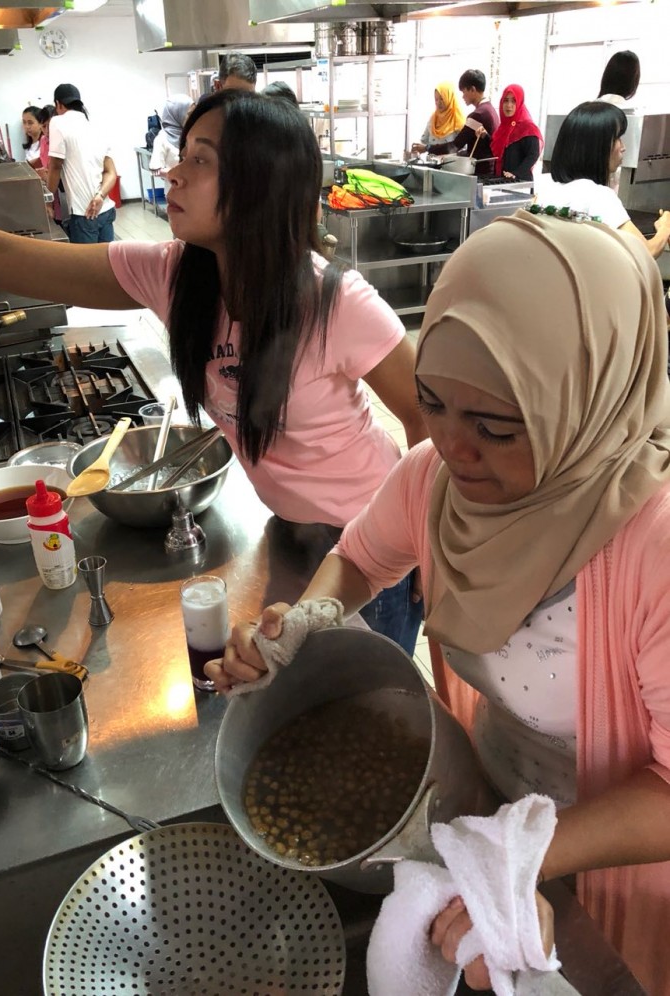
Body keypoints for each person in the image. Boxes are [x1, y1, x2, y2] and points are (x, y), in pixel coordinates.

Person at [208, 208, 670, 994]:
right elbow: (359, 556)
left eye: (493, 424)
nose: (452, 446)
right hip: (490, 793)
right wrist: (312, 616)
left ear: (585, 401)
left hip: (613, 845)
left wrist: (522, 856)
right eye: (433, 402)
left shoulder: (650, 545)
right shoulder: (435, 480)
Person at [0, 89, 426, 654]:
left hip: (371, 547)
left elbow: (424, 417)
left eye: (200, 160)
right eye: (182, 155)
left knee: (368, 709)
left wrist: (429, 544)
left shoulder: (334, 300)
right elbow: (5, 259)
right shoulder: (179, 276)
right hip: (288, 531)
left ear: (259, 182)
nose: (173, 172)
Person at [536, 101, 670, 259]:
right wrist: (665, 228)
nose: (623, 147)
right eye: (618, 138)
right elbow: (645, 253)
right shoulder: (599, 196)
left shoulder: (545, 186)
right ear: (597, 147)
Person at [46, 83, 117, 244]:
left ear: (58, 104)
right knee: (107, 264)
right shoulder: (95, 127)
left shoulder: (58, 122)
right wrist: (100, 196)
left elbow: (55, 166)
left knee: (87, 267)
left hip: (83, 214)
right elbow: (111, 172)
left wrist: (48, 202)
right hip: (105, 209)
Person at [490, 84, 543, 181]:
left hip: (520, 183)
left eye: (514, 101)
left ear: (520, 102)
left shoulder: (528, 127)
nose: (508, 105)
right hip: (502, 181)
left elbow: (533, 154)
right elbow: (500, 150)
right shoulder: (503, 127)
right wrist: (485, 136)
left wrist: (516, 174)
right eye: (505, 100)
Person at [452, 69, 499, 175]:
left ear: (473, 89)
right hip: (491, 169)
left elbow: (456, 145)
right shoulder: (491, 109)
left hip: (480, 171)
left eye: (464, 92)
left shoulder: (478, 115)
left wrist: (428, 148)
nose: (463, 96)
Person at [411, 82, 465, 156]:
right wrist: (417, 148)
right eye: (436, 99)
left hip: (450, 165)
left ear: (449, 98)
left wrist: (428, 148)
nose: (438, 103)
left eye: (442, 99)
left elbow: (461, 148)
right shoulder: (433, 119)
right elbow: (424, 141)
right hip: (432, 164)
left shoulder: (458, 120)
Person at [149, 94, 193, 181]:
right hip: (176, 189)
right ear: (177, 114)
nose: (192, 118)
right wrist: (178, 172)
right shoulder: (162, 139)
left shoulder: (192, 134)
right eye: (189, 114)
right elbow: (155, 170)